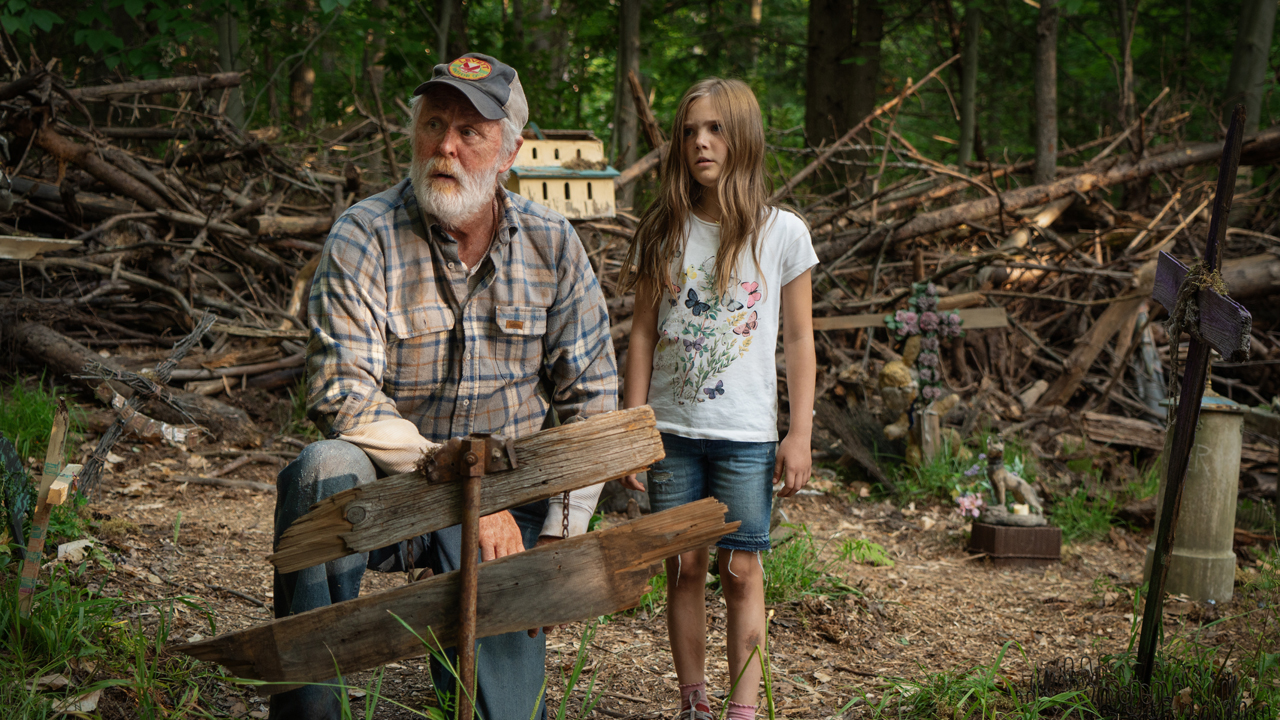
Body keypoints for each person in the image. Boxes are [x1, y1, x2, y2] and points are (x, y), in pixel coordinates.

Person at [271, 53, 617, 720]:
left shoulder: (553, 244)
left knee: (509, 715)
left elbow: (593, 398)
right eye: (434, 125)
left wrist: (559, 534)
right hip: (392, 486)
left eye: (470, 131)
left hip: (505, 505)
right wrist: (457, 485)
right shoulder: (364, 233)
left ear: (509, 150)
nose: (446, 147)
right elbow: (343, 391)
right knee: (322, 469)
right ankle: (310, 704)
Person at [617, 78, 817, 720]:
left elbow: (799, 341)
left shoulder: (782, 233)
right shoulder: (665, 230)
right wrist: (634, 429)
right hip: (672, 433)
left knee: (741, 570)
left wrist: (799, 433)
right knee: (684, 567)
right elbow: (642, 334)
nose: (700, 142)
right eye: (689, 131)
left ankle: (743, 708)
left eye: (716, 129)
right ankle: (695, 699)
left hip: (747, 437)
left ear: (744, 137)